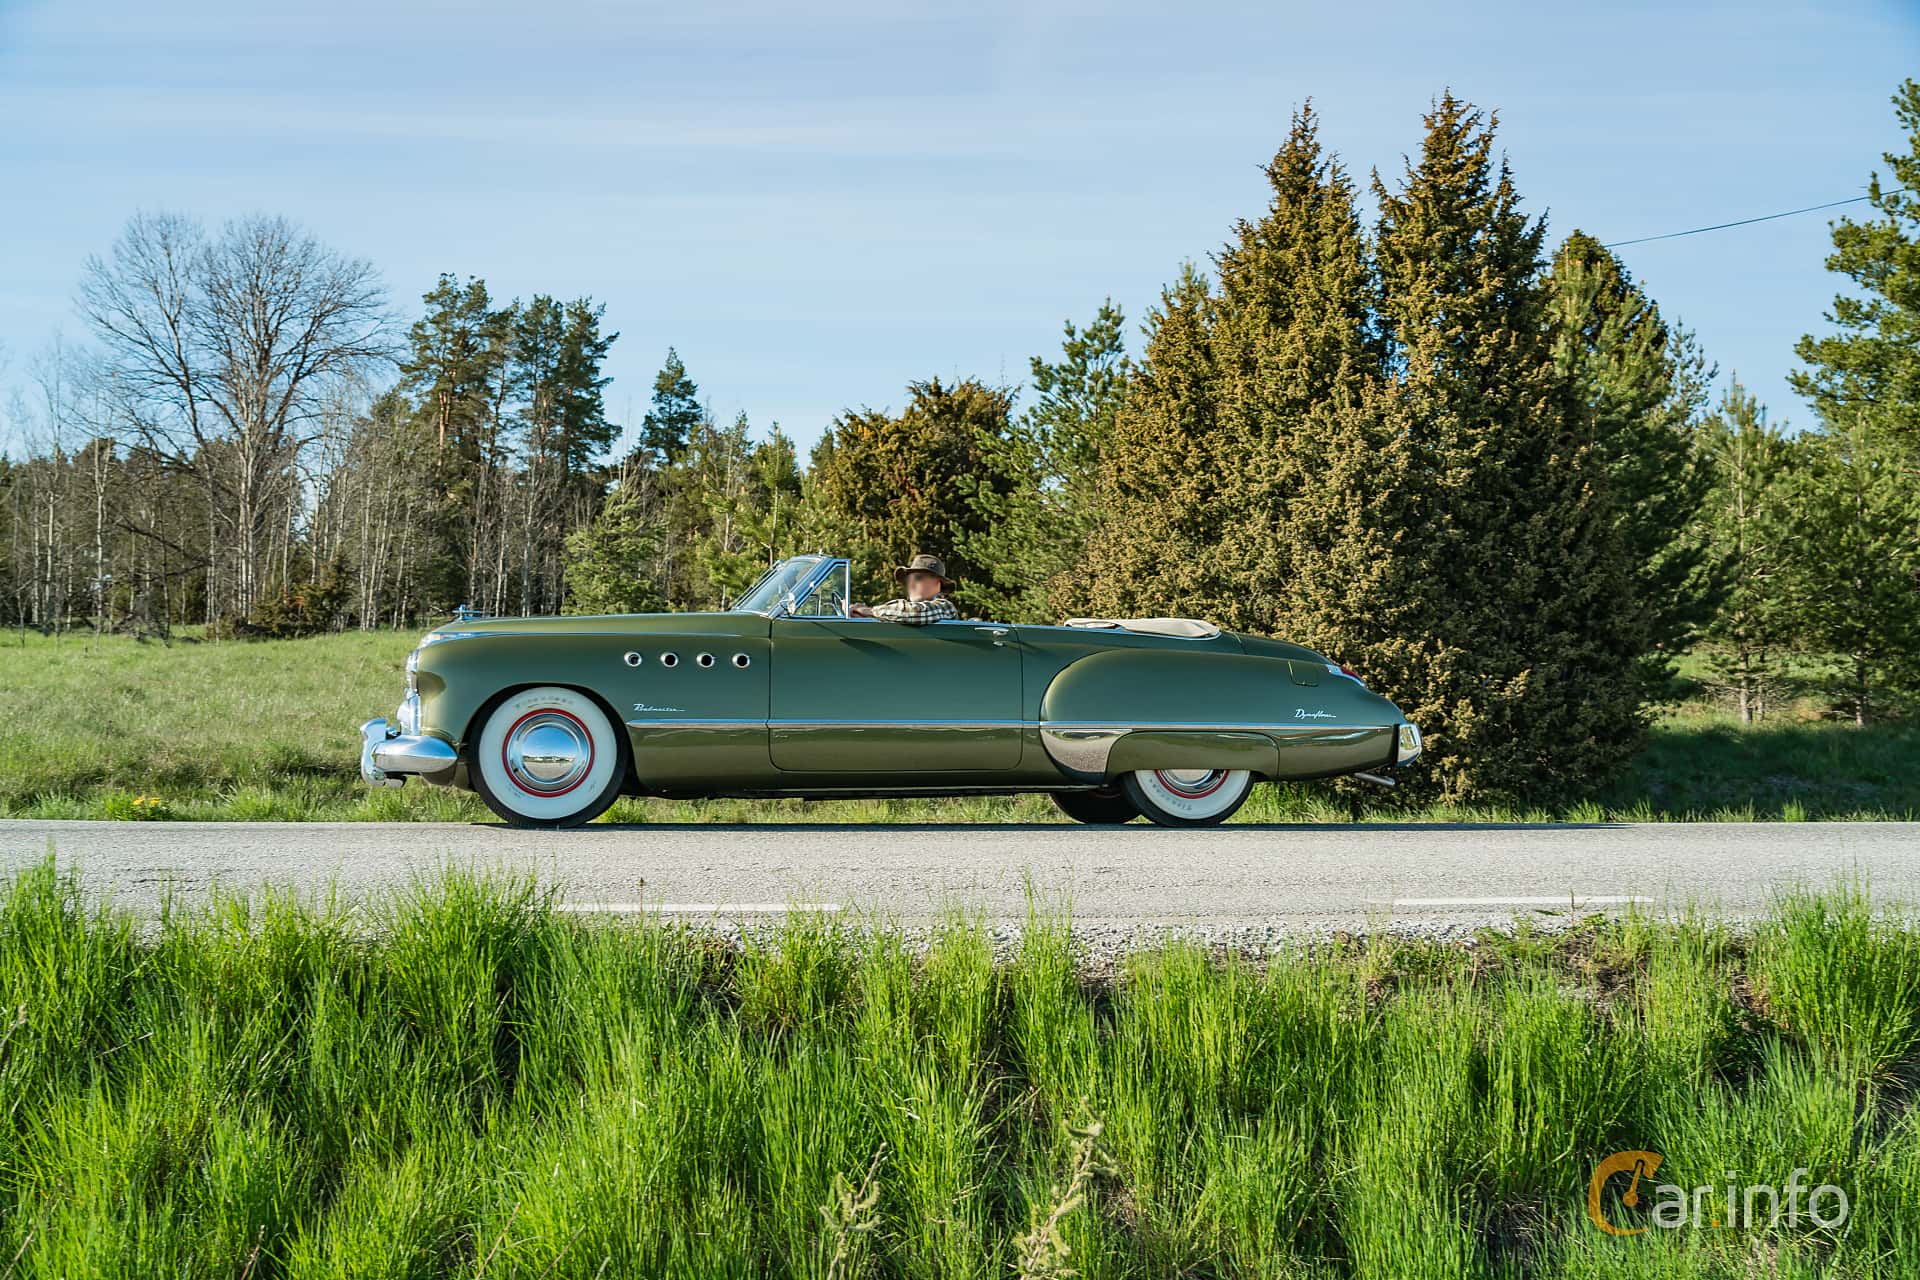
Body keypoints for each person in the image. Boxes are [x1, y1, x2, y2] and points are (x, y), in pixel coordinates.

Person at [849, 553, 960, 625]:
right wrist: (859, 615)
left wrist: (869, 611)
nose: (911, 584)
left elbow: (916, 612)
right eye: (908, 580)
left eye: (918, 578)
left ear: (937, 583)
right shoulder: (899, 614)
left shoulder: (946, 607)